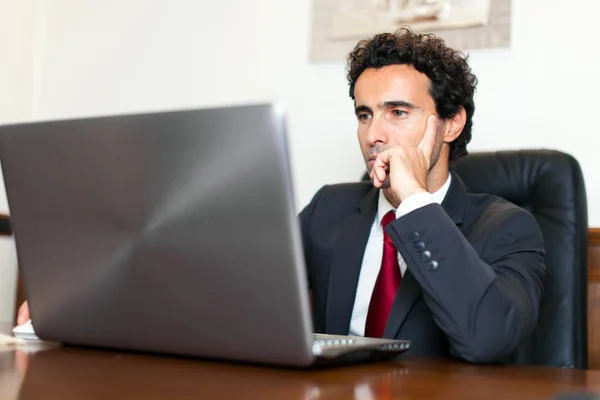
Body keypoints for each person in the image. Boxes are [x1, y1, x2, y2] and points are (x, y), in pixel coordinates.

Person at [17, 27, 545, 364]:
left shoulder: (508, 228)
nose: (373, 134)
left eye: (397, 112)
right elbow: (220, 286)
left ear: (450, 123)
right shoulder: (332, 210)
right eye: (364, 114)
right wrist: (75, 309)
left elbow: (488, 339)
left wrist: (414, 205)